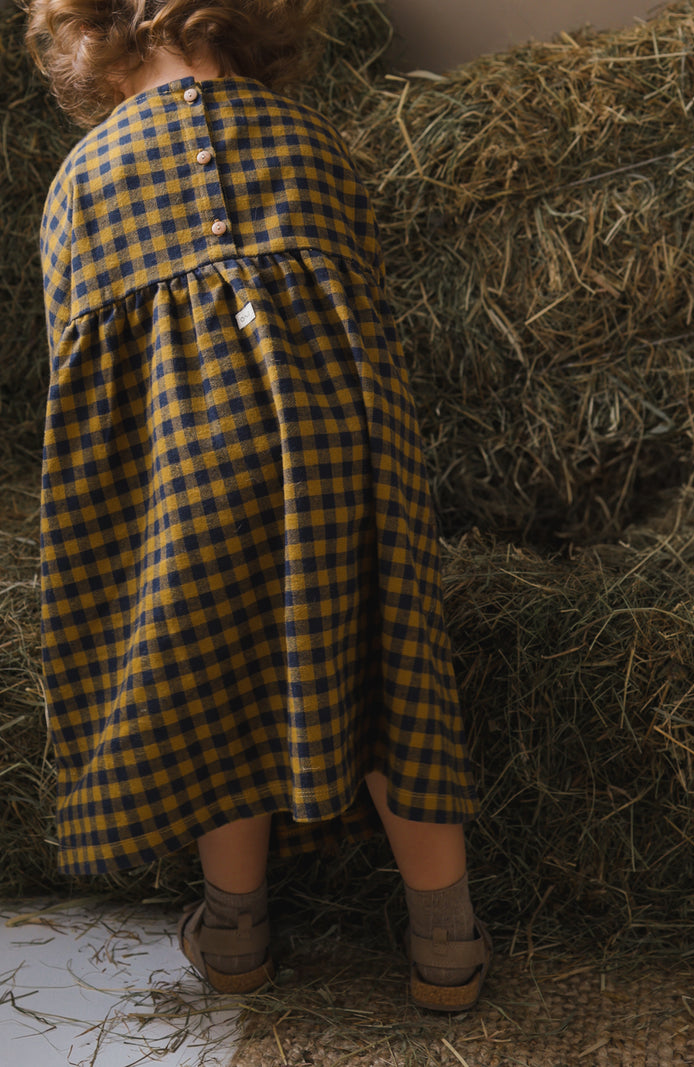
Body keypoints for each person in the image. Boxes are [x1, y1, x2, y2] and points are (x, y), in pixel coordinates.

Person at [25, 0, 491, 1011]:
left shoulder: (78, 183)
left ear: (89, 44)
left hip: (188, 471)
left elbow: (80, 393)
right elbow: (366, 306)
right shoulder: (311, 143)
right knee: (389, 674)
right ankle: (444, 939)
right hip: (340, 445)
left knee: (217, 690)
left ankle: (235, 932)